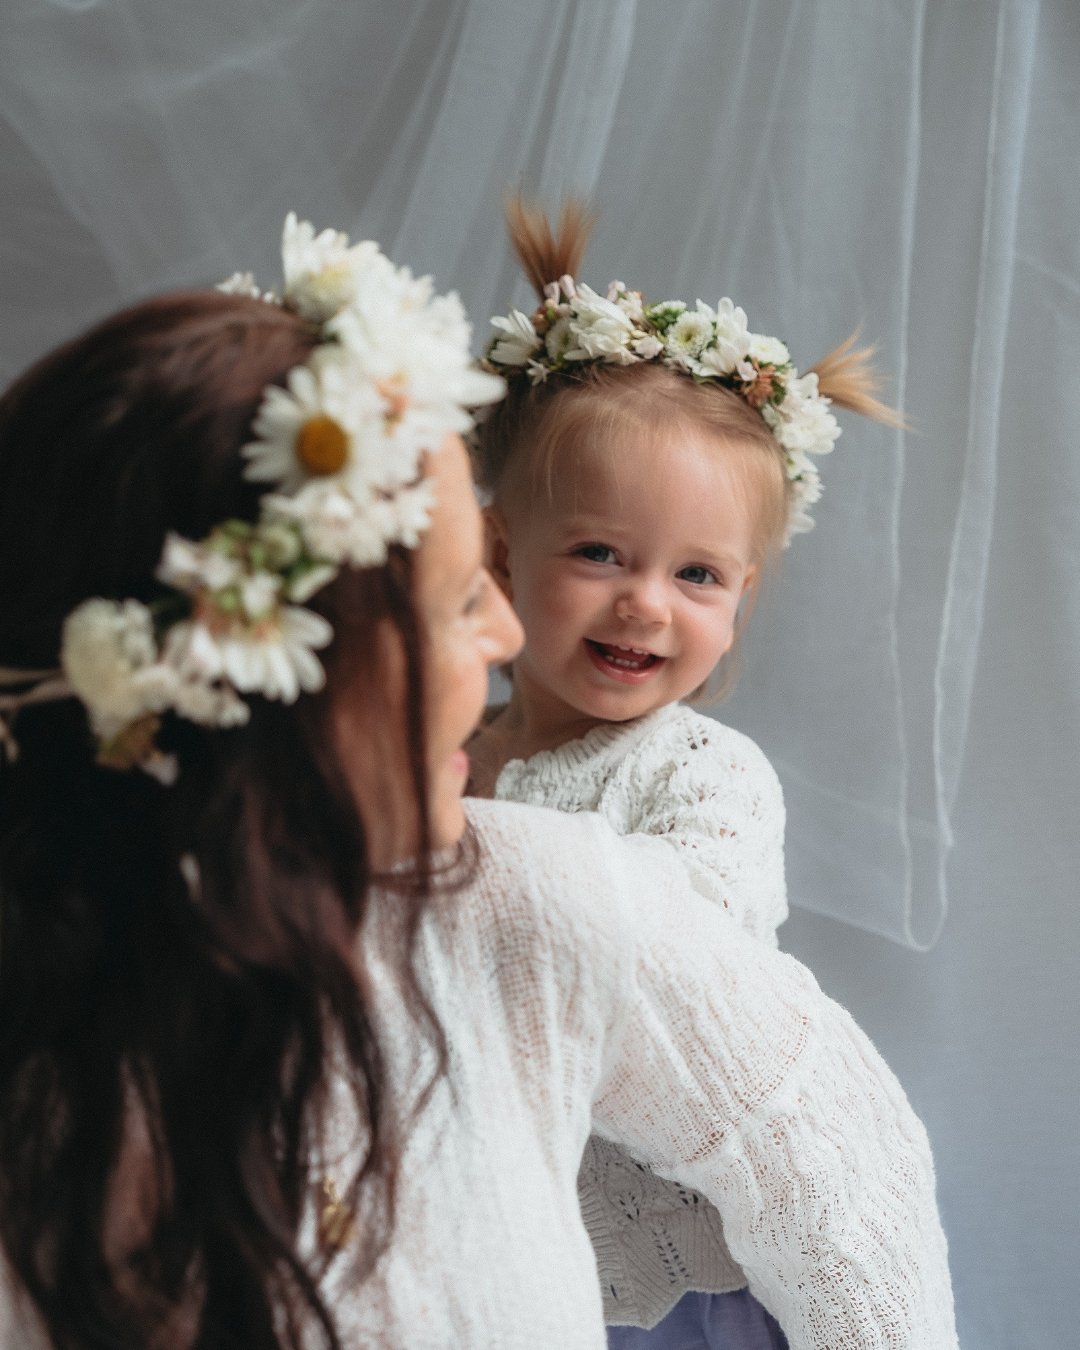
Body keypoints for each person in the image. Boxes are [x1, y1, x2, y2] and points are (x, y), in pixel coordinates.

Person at [0, 215, 957, 1349]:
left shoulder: (579, 874)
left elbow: (816, 1142)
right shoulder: (65, 1021)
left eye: (699, 575)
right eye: (467, 595)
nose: (508, 630)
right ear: (293, 657)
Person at [468, 199, 905, 1348]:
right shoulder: (448, 751)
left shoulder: (705, 770)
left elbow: (666, 948)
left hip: (681, 1246)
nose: (645, 602)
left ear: (744, 594)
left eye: (699, 574)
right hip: (507, 1222)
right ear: (500, 551)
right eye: (600, 552)